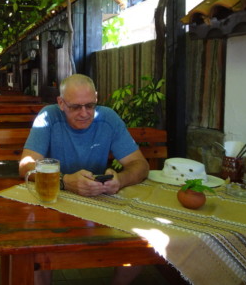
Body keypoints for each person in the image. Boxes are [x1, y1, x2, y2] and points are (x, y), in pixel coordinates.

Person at [19, 74, 149, 285]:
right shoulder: (48, 117)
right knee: (35, 249)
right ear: (61, 103)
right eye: (75, 107)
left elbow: (140, 165)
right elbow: (26, 166)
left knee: (141, 240)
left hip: (99, 203)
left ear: (96, 98)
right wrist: (64, 181)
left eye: (90, 105)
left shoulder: (108, 118)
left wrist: (120, 180)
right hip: (53, 204)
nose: (85, 113)